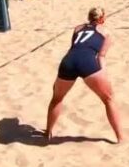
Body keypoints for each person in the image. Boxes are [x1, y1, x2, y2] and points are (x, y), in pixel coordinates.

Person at [46, 7, 122, 142]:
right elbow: (101, 56)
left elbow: (73, 48)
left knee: (57, 98)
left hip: (68, 61)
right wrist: (103, 74)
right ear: (102, 19)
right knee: (109, 99)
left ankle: (48, 132)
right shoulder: (105, 32)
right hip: (87, 63)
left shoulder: (77, 28)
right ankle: (120, 137)